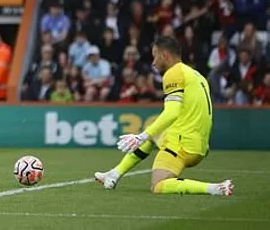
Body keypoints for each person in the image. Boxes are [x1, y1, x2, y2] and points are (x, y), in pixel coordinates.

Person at [94, 36, 233, 196]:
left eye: (155, 56)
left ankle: (215, 188)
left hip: (182, 144)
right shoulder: (196, 75)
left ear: (165, 55)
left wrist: (141, 137)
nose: (153, 62)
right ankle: (114, 174)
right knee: (155, 134)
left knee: (158, 186)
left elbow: (172, 112)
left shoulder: (173, 73)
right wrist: (147, 136)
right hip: (199, 144)